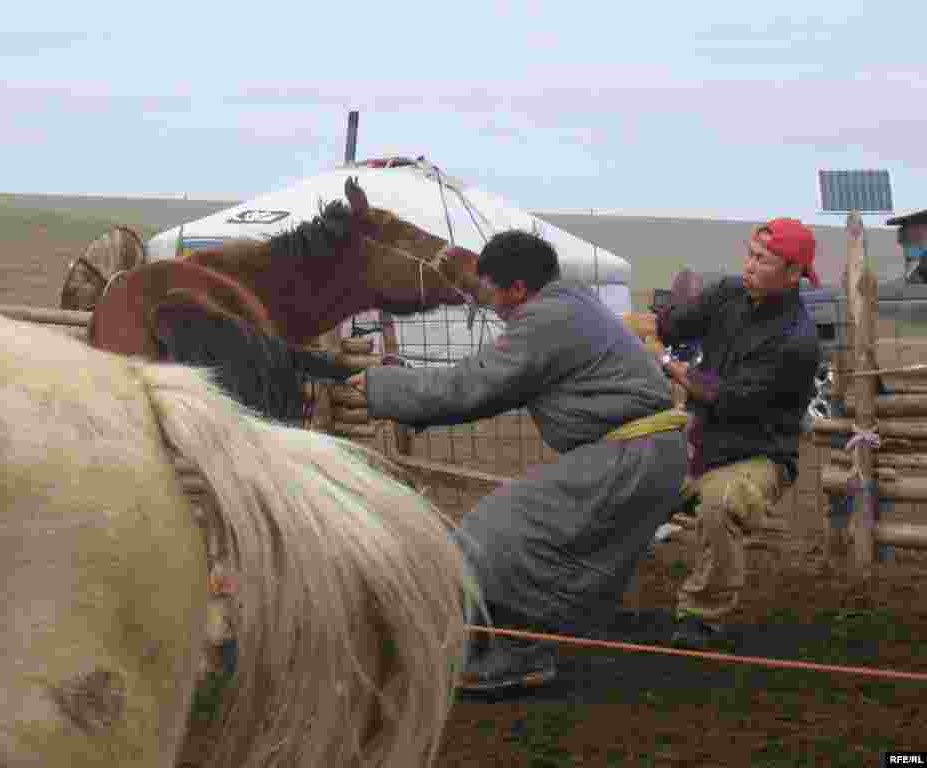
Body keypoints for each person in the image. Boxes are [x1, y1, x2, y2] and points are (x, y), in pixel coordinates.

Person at [346, 229, 689, 691]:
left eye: (490, 292)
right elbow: (482, 380)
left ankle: (520, 652)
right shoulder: (569, 304)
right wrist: (405, 383)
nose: (488, 304)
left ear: (518, 289)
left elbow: (474, 386)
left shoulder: (548, 319)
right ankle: (495, 638)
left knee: (499, 537)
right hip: (641, 453)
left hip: (631, 455)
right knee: (528, 537)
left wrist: (378, 388)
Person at [655, 217, 822, 649]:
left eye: (762, 259)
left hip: (758, 453)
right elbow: (673, 328)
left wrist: (673, 368)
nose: (749, 264)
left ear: (792, 274)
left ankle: (701, 616)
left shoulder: (795, 340)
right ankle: (585, 586)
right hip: (698, 436)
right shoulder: (729, 292)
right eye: (749, 253)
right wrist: (673, 313)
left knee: (722, 501)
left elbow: (725, 396)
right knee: (621, 479)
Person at [887, 209, 927, 283]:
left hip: (915, 247)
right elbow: (901, 240)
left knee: (913, 263)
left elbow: (900, 240)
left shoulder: (903, 230)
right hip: (915, 247)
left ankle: (911, 279)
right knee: (913, 263)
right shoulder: (906, 230)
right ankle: (911, 279)